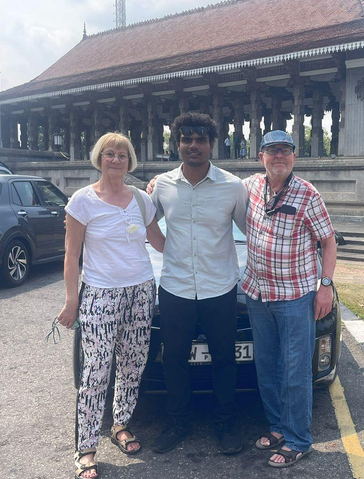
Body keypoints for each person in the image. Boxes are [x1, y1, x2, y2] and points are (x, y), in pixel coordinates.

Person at [57, 132, 166, 479]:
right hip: (101, 293)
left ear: (130, 160)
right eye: (109, 154)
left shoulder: (140, 199)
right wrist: (71, 301)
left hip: (141, 290)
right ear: (98, 158)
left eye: (122, 154)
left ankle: (121, 424)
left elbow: (160, 242)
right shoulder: (82, 201)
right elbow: (72, 255)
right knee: (96, 371)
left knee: (133, 364)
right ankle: (86, 447)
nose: (116, 159)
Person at [148, 112, 248, 455]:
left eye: (201, 139)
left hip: (219, 287)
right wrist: (163, 246)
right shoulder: (161, 185)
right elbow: (146, 219)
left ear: (211, 144)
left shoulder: (233, 187)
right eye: (186, 138)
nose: (194, 145)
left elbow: (253, 230)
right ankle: (177, 420)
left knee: (224, 359)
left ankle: (225, 423)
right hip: (175, 286)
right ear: (176, 143)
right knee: (174, 358)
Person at [242, 130, 337, 468]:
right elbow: (214, 184)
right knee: (266, 366)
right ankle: (279, 427)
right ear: (261, 157)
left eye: (285, 151)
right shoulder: (251, 187)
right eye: (271, 151)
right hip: (257, 293)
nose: (278, 156)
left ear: (294, 157)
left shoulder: (308, 194)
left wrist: (325, 285)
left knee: (295, 371)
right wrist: (156, 184)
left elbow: (328, 242)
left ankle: (299, 440)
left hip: (295, 296)